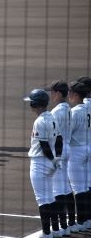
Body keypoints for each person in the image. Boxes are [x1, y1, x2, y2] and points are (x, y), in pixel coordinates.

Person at [23, 89, 63, 238]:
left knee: (42, 199)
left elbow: (44, 145)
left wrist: (53, 159)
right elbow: (59, 139)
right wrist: (57, 158)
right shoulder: (52, 117)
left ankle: (46, 233)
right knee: (50, 198)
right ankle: (56, 230)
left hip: (40, 163)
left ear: (35, 104)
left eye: (31, 102)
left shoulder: (39, 121)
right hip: (50, 163)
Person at [45, 80, 76, 235]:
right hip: (67, 149)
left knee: (58, 189)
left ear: (58, 93)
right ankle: (70, 222)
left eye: (52, 92)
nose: (51, 95)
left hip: (59, 151)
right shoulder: (68, 108)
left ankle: (61, 226)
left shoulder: (56, 111)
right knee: (66, 187)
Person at [66, 81, 90, 232]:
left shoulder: (74, 112)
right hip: (89, 147)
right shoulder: (89, 108)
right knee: (88, 185)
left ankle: (81, 221)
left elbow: (67, 136)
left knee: (78, 187)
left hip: (76, 152)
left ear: (75, 95)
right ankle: (88, 218)